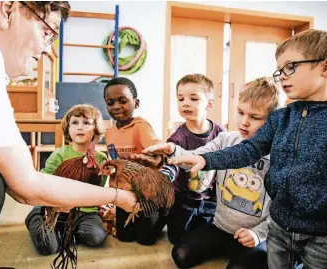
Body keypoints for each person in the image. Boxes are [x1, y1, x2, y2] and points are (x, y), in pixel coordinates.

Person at [168, 29, 327, 269]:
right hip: (279, 229)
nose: (282, 76)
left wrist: (260, 234)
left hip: (322, 234)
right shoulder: (282, 118)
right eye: (279, 70)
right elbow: (247, 150)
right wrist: (203, 159)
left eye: (290, 67)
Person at [0, 1, 136, 246]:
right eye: (47, 32)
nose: (47, 50)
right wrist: (120, 197)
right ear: (7, 10)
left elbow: (22, 184)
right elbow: (28, 186)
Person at [144, 77, 277, 269]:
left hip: (254, 235)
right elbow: (195, 158)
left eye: (255, 117)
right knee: (180, 255)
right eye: (240, 113)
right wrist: (172, 149)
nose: (244, 122)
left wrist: (258, 234)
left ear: (273, 119)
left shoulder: (278, 153)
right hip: (221, 227)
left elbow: (282, 207)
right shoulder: (226, 139)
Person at [25, 104, 109, 255]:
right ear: (68, 129)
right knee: (48, 246)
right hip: (54, 207)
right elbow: (44, 182)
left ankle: (70, 230)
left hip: (86, 210)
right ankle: (35, 217)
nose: (80, 127)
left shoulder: (101, 158)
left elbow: (100, 187)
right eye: (75, 123)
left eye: (86, 123)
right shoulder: (59, 154)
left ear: (96, 130)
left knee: (95, 237)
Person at [103, 77, 175, 245]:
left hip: (146, 193)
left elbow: (158, 150)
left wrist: (155, 158)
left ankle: (164, 212)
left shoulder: (141, 126)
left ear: (136, 103)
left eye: (122, 101)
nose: (116, 106)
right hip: (125, 193)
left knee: (146, 239)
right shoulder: (109, 133)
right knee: (125, 237)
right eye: (110, 102)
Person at [154, 74, 225, 245]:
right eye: (181, 98)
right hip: (182, 196)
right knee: (176, 238)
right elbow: (170, 165)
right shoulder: (177, 138)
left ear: (209, 104)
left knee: (210, 233)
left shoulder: (221, 133)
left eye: (194, 98)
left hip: (210, 197)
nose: (186, 103)